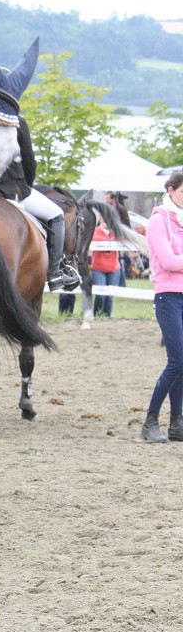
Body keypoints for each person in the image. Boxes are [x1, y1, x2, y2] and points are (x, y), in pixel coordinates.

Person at [0, 117, 80, 292]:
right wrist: (26, 185)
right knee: (56, 215)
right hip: (12, 189)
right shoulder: (15, 121)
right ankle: (55, 273)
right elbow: (29, 161)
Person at [140, 171, 183, 443]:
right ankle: (150, 421)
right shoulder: (158, 221)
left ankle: (176, 423)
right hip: (168, 297)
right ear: (171, 190)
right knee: (177, 360)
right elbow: (167, 261)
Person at [90, 219, 120, 318]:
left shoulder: (116, 231)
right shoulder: (95, 230)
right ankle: (97, 314)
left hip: (114, 268)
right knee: (100, 295)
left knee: (110, 296)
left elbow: (121, 238)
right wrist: (109, 239)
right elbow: (93, 238)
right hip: (99, 268)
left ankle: (107, 316)